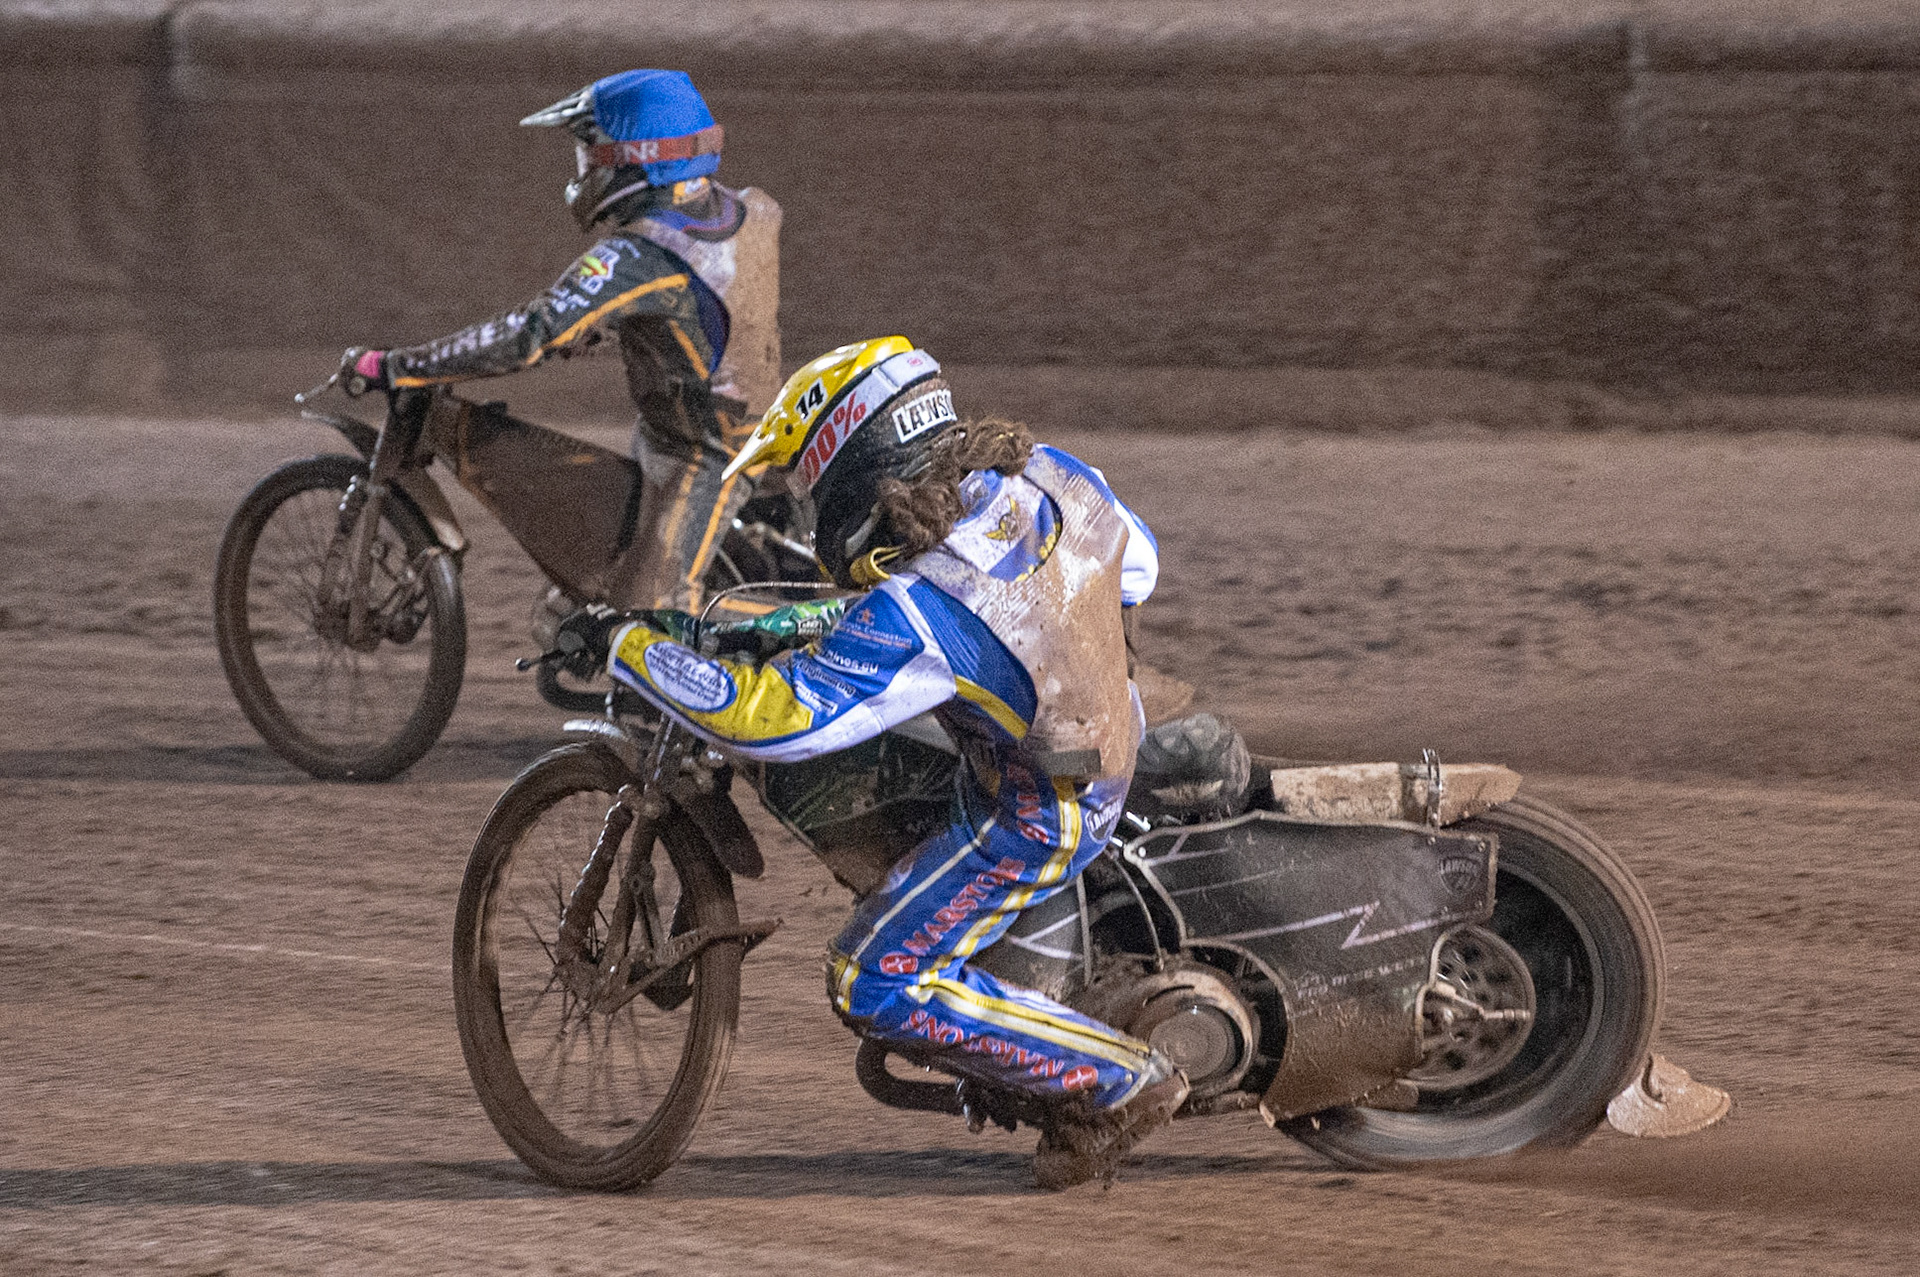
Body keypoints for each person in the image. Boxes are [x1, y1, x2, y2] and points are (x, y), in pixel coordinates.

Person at [575, 336, 1189, 1189]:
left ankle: (1118, 1081)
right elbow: (1139, 569)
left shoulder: (925, 604)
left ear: (855, 461)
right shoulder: (1048, 473)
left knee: (870, 979)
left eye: (808, 485)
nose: (807, 508)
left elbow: (774, 720)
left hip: (1041, 807)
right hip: (1107, 719)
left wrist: (628, 643)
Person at [339, 68, 780, 612]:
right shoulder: (751, 210)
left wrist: (398, 365)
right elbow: (711, 314)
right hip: (726, 422)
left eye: (591, 151)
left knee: (648, 618)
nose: (584, 167)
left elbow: (529, 335)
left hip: (707, 452)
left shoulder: (637, 257)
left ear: (635, 155)